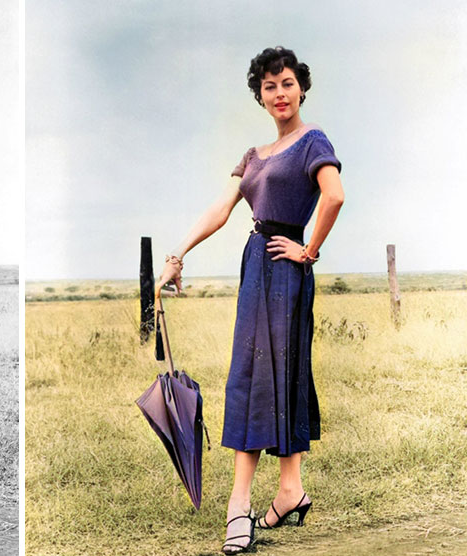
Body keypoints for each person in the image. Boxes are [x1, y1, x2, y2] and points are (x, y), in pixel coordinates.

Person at [155, 46, 344, 555]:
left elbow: (335, 195)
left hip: (285, 268)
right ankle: (290, 491)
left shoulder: (313, 141)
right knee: (266, 374)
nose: (279, 93)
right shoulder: (254, 155)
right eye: (269, 86)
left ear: (301, 87)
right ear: (259, 96)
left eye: (286, 83)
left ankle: (239, 506)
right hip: (256, 266)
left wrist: (308, 251)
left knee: (263, 378)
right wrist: (176, 254)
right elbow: (222, 208)